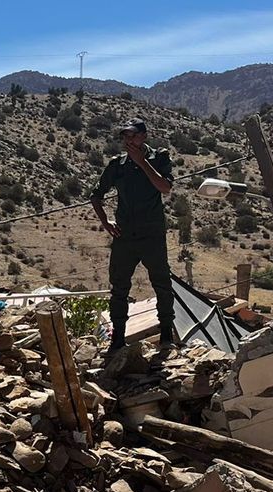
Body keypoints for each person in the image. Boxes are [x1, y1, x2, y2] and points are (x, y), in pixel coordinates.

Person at [90, 117, 175, 354]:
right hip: (125, 235)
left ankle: (166, 333)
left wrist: (142, 162)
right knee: (119, 287)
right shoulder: (118, 165)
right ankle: (117, 337)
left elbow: (165, 187)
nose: (128, 140)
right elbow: (96, 194)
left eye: (133, 136)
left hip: (152, 234)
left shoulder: (159, 158)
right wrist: (105, 221)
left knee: (162, 283)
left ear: (143, 136)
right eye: (125, 136)